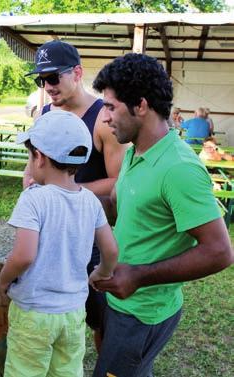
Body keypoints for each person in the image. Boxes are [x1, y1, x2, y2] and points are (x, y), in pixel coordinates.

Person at [91, 53, 233, 377]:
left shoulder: (179, 168)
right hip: (121, 302)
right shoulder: (134, 151)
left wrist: (139, 275)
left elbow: (220, 252)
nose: (106, 118)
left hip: (143, 313)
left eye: (111, 107)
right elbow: (117, 207)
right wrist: (69, 199)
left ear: (140, 106)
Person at [0, 110, 118, 377]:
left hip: (33, 314)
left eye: (30, 156)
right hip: (73, 313)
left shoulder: (33, 199)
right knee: (66, 371)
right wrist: (102, 273)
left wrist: (4, 279)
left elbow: (24, 256)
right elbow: (110, 250)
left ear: (39, 157)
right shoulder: (89, 200)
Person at [25, 39, 127, 351]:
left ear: (78, 72)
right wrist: (30, 183)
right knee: (48, 311)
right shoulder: (44, 113)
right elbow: (32, 166)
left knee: (100, 320)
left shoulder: (102, 119)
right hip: (51, 233)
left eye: (54, 77)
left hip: (90, 235)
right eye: (41, 79)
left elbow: (118, 181)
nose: (48, 86)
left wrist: (66, 191)